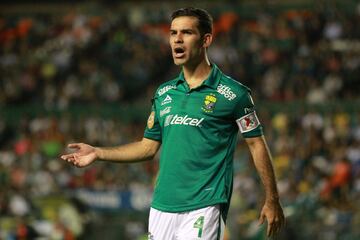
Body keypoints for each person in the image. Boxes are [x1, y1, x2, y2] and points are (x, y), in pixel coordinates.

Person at [61, 7, 285, 240]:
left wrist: (272, 199)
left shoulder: (234, 95)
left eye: (186, 32)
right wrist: (98, 152)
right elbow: (147, 147)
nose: (177, 39)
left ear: (206, 39)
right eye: (173, 33)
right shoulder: (164, 93)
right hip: (161, 207)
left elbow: (256, 144)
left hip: (205, 204)